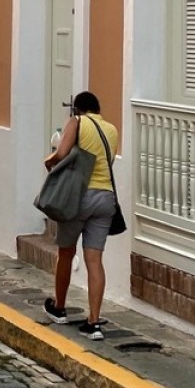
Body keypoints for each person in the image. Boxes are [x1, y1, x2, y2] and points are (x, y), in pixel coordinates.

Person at [42, 90, 121, 341]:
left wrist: (49, 161)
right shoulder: (111, 130)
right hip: (106, 198)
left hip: (79, 198)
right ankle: (94, 322)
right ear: (98, 108)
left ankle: (59, 307)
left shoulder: (77, 122)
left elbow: (62, 153)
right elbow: (107, 162)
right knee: (95, 260)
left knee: (66, 252)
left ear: (77, 109)